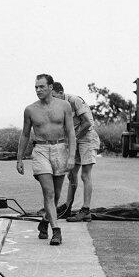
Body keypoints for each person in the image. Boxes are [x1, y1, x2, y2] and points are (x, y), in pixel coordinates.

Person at [16, 74, 75, 246]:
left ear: (51, 87)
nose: (38, 90)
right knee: (48, 192)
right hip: (40, 149)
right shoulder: (30, 110)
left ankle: (45, 221)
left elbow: (71, 131)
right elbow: (25, 134)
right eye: (36, 87)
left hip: (60, 148)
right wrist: (19, 159)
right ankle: (56, 231)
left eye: (41, 87)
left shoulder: (64, 106)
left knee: (56, 194)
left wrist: (71, 156)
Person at [51, 82, 100, 222]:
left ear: (61, 92)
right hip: (75, 140)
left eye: (55, 96)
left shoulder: (74, 101)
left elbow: (87, 123)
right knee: (71, 174)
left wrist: (73, 138)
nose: (53, 100)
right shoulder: (57, 106)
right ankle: (68, 207)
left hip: (87, 138)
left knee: (85, 175)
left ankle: (86, 210)